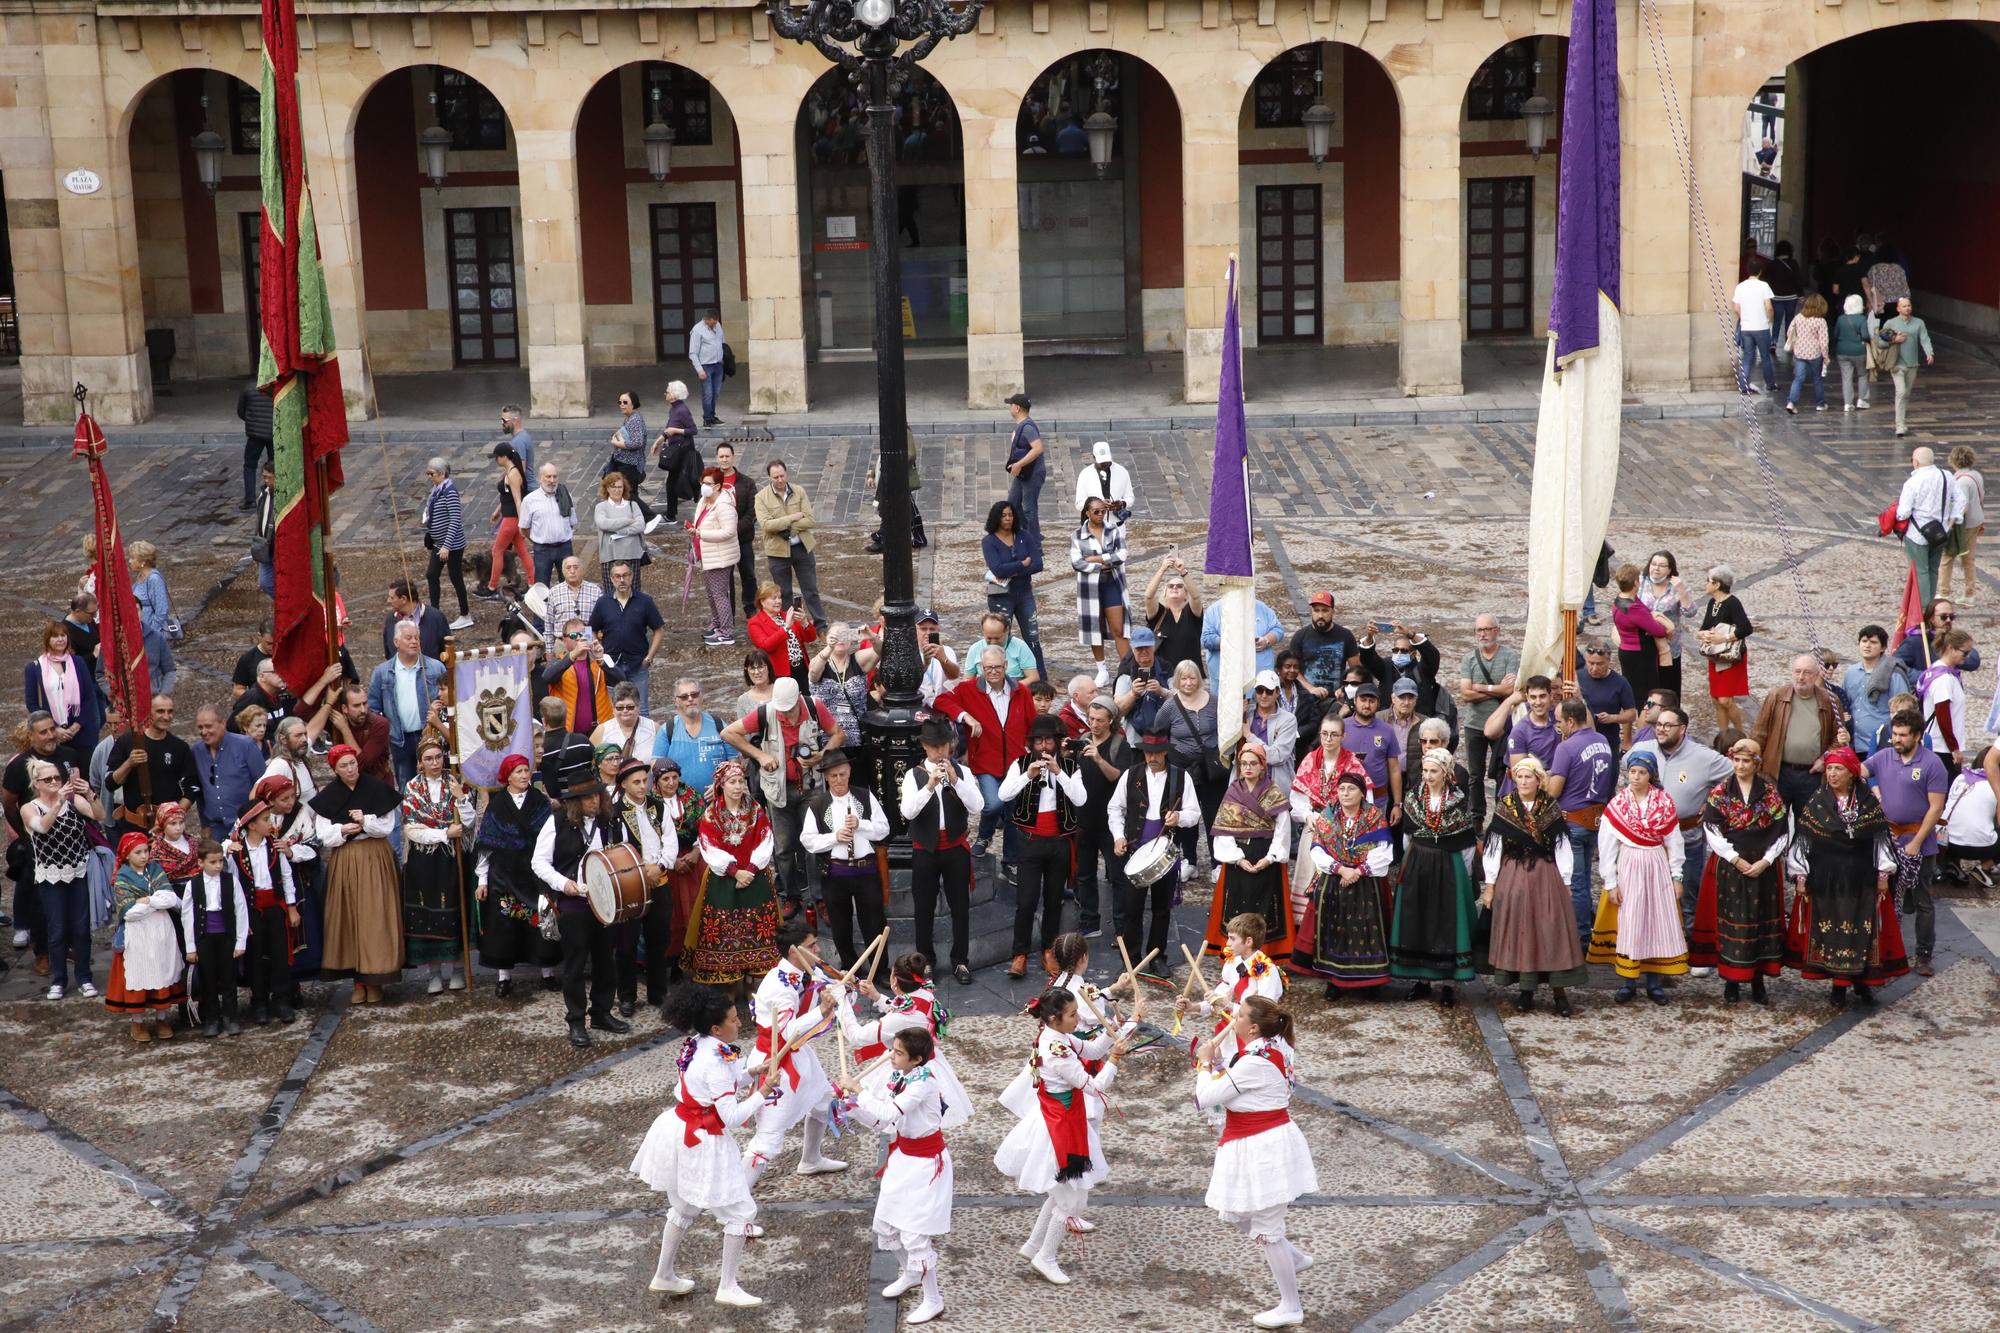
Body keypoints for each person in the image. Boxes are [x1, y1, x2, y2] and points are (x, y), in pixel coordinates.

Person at [630, 985, 766, 1307]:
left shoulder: (699, 1043)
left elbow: (718, 1083)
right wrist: (764, 1092)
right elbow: (731, 1116)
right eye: (733, 1020)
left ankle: (664, 1273)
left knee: (684, 1207)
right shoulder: (716, 1061)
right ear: (717, 1028)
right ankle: (728, 1285)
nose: (740, 1024)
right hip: (702, 1139)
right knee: (741, 1211)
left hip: (677, 1129)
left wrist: (751, 1072)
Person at [993, 985, 1131, 1286]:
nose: (1078, 1017)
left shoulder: (1054, 1036)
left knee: (1062, 1191)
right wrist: (1115, 1060)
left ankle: (1033, 1245)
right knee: (1072, 1200)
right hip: (1062, 1128)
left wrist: (1114, 1031)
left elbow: (1092, 1049)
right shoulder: (1057, 1050)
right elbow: (1093, 1086)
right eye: (1072, 1014)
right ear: (1055, 1018)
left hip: (1064, 1120)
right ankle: (1047, 1256)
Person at [1192, 995, 1316, 1330]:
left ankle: (1291, 1305)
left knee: (1268, 1230)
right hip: (1258, 1143)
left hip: (1265, 1149)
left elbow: (1205, 1098)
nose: (1235, 1018)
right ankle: (1295, 1259)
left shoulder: (1255, 1060)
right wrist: (1219, 1065)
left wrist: (1204, 1064)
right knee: (1234, 1214)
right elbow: (1240, 1088)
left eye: (1241, 1014)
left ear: (1254, 1026)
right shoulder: (1271, 1048)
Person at [835, 1023, 955, 1326]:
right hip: (903, 1160)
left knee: (915, 1235)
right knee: (887, 1226)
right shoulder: (902, 1076)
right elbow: (883, 1124)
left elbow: (888, 1114)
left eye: (898, 1052)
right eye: (893, 1049)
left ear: (916, 1059)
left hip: (927, 1165)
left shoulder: (923, 1083)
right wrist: (850, 1107)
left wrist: (859, 1090)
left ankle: (934, 1299)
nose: (891, 1055)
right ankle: (912, 1272)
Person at [1787, 747, 1907, 1006]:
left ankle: (1863, 984)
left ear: (1852, 772)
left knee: (1862, 930)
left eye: (1838, 768)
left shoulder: (1867, 802)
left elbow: (1880, 841)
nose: (1832, 773)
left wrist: (1884, 874)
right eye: (1829, 768)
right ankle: (1838, 986)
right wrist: (1800, 876)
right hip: (1827, 879)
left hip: (1861, 877)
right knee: (1832, 932)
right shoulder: (1817, 802)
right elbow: (1803, 841)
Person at [722, 675, 843, 914]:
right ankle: (791, 896)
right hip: (778, 790)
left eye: (790, 710)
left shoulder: (813, 706)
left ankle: (820, 897)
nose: (786, 715)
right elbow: (728, 733)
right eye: (783, 710)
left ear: (799, 699)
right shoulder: (765, 713)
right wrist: (759, 755)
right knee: (783, 848)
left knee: (815, 844)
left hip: (811, 788)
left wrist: (822, 755)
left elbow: (838, 734)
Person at [1688, 736, 1791, 1003]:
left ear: (1756, 764)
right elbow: (1711, 830)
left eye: (1746, 761)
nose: (1740, 766)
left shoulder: (1769, 793)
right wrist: (1734, 859)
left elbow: (1782, 829)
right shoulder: (1721, 792)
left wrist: (1766, 861)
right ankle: (1731, 982)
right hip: (1731, 865)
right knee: (1731, 923)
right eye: (1736, 760)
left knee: (1758, 921)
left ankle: (1758, 981)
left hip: (1762, 865)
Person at [1481, 757, 1587, 1015]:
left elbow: (1562, 846)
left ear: (1539, 780)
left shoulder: (1550, 807)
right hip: (1513, 876)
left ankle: (1559, 993)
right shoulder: (1505, 807)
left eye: (1529, 777)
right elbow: (1493, 849)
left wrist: (1566, 880)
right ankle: (1526, 990)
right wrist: (1491, 884)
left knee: (1550, 931)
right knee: (1522, 931)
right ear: (1514, 779)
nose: (1524, 781)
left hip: (1545, 876)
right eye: (1520, 777)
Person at [743, 919, 846, 1183]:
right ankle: (737, 1200)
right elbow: (788, 1033)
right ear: (793, 951)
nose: (819, 950)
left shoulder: (801, 972)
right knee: (767, 1140)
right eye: (812, 946)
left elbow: (824, 985)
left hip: (798, 1057)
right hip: (775, 1063)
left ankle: (811, 1159)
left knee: (823, 1103)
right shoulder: (780, 987)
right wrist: (821, 1011)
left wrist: (845, 988)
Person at [1587, 750, 1688, 1003]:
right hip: (1630, 864)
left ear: (1650, 775)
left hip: (1656, 864)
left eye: (1641, 772)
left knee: (1655, 920)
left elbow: (1675, 841)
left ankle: (1654, 983)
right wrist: (1610, 882)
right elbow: (1607, 844)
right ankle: (1628, 981)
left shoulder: (1664, 803)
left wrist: (1676, 876)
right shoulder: (1618, 805)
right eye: (1632, 772)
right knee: (1630, 921)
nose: (1636, 777)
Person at [995, 715, 1089, 977]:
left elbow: (1080, 799)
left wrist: (1059, 773)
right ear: (1032, 744)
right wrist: (1028, 775)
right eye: (1039, 741)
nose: (1044, 746)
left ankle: (1049, 950)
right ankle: (1020, 954)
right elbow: (1003, 795)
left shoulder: (1070, 767)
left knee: (1053, 901)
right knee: (1026, 902)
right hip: (1030, 843)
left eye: (1049, 740)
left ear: (1057, 743)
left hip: (1058, 843)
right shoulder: (1020, 764)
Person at [312, 744, 403, 1004]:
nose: (350, 769)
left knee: (375, 917)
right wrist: (342, 830)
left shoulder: (374, 788)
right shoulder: (329, 795)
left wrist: (366, 822)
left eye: (353, 763)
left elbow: (387, 825)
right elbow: (323, 835)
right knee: (351, 918)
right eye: (344, 765)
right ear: (335, 769)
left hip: (375, 855)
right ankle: (358, 981)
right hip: (347, 859)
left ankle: (376, 980)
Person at [933, 647, 1032, 879]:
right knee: (993, 804)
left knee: (1013, 814)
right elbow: (941, 701)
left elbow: (1031, 724)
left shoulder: (1021, 691)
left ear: (1006, 666)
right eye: (988, 668)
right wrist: (965, 716)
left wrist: (1032, 751)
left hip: (1016, 764)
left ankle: (1010, 862)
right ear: (981, 668)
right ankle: (985, 835)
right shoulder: (969, 689)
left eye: (998, 667)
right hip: (986, 761)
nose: (994, 672)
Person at [1389, 748, 1478, 1005]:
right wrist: (1412, 860)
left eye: (1434, 771)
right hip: (1418, 861)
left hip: (1449, 864)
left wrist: (1465, 875)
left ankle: (1448, 983)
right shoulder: (1413, 799)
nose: (1428, 776)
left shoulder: (1459, 801)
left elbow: (1467, 843)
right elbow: (1408, 836)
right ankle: (1422, 980)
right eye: (1425, 771)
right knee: (1419, 918)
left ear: (1446, 772)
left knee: (1447, 921)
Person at [1864, 711, 1947, 979]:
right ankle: (1888, 950)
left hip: (1919, 841)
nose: (1896, 740)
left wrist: (1918, 842)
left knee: (1922, 900)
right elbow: (1861, 770)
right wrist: (1835, 755)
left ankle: (1924, 954)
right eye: (1894, 734)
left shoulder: (1933, 764)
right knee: (1885, 895)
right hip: (1889, 838)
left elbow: (1935, 809)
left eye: (1902, 735)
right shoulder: (1885, 756)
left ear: (1917, 736)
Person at [902, 717, 985, 986]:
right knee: (923, 908)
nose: (940, 752)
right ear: (925, 747)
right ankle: (925, 961)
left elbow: (977, 806)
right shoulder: (912, 775)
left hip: (955, 848)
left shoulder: (963, 772)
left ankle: (960, 960)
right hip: (925, 850)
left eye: (944, 746)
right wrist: (929, 786)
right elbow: (908, 812)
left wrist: (955, 781)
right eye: (935, 747)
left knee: (960, 906)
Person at [1293, 769, 1391, 997]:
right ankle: (1334, 981)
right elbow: (1317, 848)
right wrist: (1341, 869)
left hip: (1366, 885)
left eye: (1352, 789)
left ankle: (1370, 982)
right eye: (1342, 789)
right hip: (1335, 882)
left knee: (1367, 931)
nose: (1346, 793)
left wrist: (1359, 871)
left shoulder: (1374, 816)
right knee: (1333, 930)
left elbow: (1384, 851)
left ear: (1361, 793)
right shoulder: (1328, 816)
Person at [1108, 732, 1202, 968]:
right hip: (1135, 848)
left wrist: (1179, 817)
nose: (1151, 757)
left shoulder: (1181, 777)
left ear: (1165, 752)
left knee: (1162, 908)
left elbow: (1194, 813)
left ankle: (1157, 956)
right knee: (1132, 908)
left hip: (1165, 852)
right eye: (1148, 752)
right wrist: (1119, 837)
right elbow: (1115, 808)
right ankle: (1130, 959)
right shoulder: (1131, 775)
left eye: (1156, 752)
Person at [689, 760, 780, 988]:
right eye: (732, 782)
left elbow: (765, 838)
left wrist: (749, 870)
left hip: (755, 877)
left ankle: (756, 986)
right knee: (723, 931)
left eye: (741, 781)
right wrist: (734, 871)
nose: (738, 786)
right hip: (723, 882)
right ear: (721, 785)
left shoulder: (756, 810)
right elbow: (708, 845)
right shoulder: (711, 814)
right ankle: (728, 988)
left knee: (758, 930)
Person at [473, 753, 554, 998]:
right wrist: (482, 880)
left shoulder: (540, 801)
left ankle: (548, 972)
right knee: (503, 926)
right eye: (518, 771)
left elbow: (550, 837)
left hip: (534, 872)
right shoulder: (497, 805)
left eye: (526, 770)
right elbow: (486, 845)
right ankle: (503, 977)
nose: (524, 775)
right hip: (504, 875)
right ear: (507, 776)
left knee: (542, 919)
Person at [800, 748, 890, 970]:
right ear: (826, 777)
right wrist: (835, 837)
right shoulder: (818, 804)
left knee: (875, 924)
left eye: (842, 774)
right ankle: (851, 970)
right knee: (840, 926)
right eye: (833, 776)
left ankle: (879, 970)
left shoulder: (865, 796)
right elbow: (808, 840)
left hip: (866, 870)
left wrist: (862, 825)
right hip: (835, 873)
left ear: (849, 772)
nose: (838, 780)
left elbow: (884, 829)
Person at [1204, 741, 1294, 960]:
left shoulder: (1273, 792)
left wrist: (1271, 857)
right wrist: (1237, 858)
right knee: (1237, 904)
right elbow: (1224, 830)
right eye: (1244, 763)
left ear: (1263, 766)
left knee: (1266, 905)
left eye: (1253, 763)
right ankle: (1235, 954)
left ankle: (1266, 955)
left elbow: (1283, 828)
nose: (1248, 768)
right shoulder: (1233, 792)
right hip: (1239, 856)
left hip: (1265, 854)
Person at [24, 760, 103, 1001]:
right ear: (36, 784)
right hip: (50, 876)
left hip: (78, 871)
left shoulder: (72, 801)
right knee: (57, 930)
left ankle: (84, 977)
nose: (55, 782)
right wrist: (58, 802)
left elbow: (100, 815)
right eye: (48, 780)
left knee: (81, 928)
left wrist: (89, 794)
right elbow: (43, 828)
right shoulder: (30, 808)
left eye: (57, 778)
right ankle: (58, 980)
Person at [400, 739, 472, 996]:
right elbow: (412, 828)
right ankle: (433, 973)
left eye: (438, 757)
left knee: (454, 912)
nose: (434, 763)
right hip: (424, 858)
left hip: (452, 858)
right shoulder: (412, 787)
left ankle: (457, 970)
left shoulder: (454, 782)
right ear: (420, 761)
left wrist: (461, 800)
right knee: (428, 914)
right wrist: (444, 833)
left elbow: (470, 821)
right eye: (428, 758)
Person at [1546, 698, 1614, 949]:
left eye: (1559, 722)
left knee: (1575, 883)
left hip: (1572, 820)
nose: (1558, 726)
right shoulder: (1602, 741)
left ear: (1571, 721)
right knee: (1585, 878)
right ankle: (1585, 930)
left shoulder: (1567, 748)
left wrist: (1543, 778)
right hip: (1595, 820)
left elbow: (1554, 791)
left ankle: (1580, 937)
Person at [227, 797, 300, 1025]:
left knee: (280, 954)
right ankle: (259, 1002)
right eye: (266, 820)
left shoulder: (276, 847)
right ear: (251, 825)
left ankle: (282, 1000)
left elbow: (286, 877)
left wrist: (291, 907)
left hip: (275, 907)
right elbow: (233, 885)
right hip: (251, 910)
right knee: (255, 956)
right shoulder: (237, 853)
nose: (271, 823)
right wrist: (240, 918)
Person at [106, 832, 184, 1041]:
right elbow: (129, 913)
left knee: (161, 970)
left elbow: (169, 898)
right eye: (138, 852)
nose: (143, 856)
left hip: (160, 931)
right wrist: (154, 902)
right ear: (127, 854)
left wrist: (145, 901)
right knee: (140, 974)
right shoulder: (122, 878)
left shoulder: (155, 869)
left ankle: (161, 1017)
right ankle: (138, 1022)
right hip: (138, 935)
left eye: (146, 851)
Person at [1749, 653, 1841, 809]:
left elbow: (1839, 739)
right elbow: (1759, 733)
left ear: (1817, 675)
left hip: (1812, 775)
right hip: (1778, 772)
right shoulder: (1776, 697)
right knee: (1774, 821)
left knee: (1807, 825)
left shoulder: (1829, 701)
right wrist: (1751, 762)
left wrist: (1824, 759)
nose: (1801, 677)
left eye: (1807, 672)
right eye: (1797, 671)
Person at [175, 840, 246, 1035]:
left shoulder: (231, 881)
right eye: (213, 862)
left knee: (229, 978)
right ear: (201, 863)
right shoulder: (193, 884)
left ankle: (231, 1017)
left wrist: (240, 941)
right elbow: (188, 916)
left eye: (220, 861)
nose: (218, 866)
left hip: (226, 936)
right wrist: (191, 947)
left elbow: (241, 910)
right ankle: (211, 1019)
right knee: (209, 979)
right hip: (204, 937)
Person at [106, 695, 200, 835]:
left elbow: (192, 788)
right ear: (149, 713)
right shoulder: (127, 742)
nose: (166, 716)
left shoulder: (180, 747)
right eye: (160, 711)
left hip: (168, 831)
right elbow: (110, 783)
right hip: (134, 829)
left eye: (170, 711)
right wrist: (129, 763)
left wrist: (172, 819)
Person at [366, 622, 445, 787]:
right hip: (399, 740)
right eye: (408, 638)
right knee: (406, 786)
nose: (414, 642)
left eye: (416, 637)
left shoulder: (435, 667)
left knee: (436, 783)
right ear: (396, 642)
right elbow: (373, 708)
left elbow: (450, 697)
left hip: (431, 736)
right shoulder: (382, 672)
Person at [1457, 613, 1519, 820]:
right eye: (1479, 630)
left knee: (1503, 771)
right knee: (1475, 775)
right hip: (1474, 724)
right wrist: (1498, 689)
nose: (1482, 634)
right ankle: (1477, 817)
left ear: (1497, 631)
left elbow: (1511, 690)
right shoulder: (1469, 658)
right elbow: (1465, 693)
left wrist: (1481, 688)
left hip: (1501, 725)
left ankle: (1503, 815)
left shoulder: (1509, 656)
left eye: (1486, 629)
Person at [1163, 660, 1224, 866]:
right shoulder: (1170, 705)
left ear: (1199, 678)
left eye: (1192, 677)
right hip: (1183, 769)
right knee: (1186, 814)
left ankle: (1217, 862)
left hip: (1210, 769)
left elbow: (1225, 728)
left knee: (1213, 814)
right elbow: (1158, 732)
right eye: (1184, 678)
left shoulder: (1214, 701)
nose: (1188, 682)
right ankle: (1189, 860)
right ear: (1177, 680)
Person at [754, 460, 826, 629]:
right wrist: (792, 518)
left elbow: (810, 520)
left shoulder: (798, 491)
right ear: (769, 477)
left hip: (802, 547)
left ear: (787, 474)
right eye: (775, 477)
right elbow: (766, 525)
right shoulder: (761, 497)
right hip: (777, 552)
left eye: (782, 476)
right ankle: (790, 628)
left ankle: (821, 626)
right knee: (783, 593)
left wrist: (786, 527)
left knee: (811, 590)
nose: (779, 480)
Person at [982, 501, 1047, 678]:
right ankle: (1000, 676)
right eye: (1003, 515)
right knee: (1000, 638)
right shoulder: (989, 541)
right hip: (1001, 596)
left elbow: (1038, 564)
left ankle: (1040, 679)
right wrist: (1022, 564)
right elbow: (997, 569)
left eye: (1010, 514)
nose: (1008, 518)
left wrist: (1012, 569)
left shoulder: (1024, 536)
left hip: (1024, 593)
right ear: (996, 517)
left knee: (1033, 637)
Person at [1070, 497, 1130, 684]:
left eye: (1102, 511)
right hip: (1090, 588)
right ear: (1087, 513)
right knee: (1094, 628)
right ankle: (1102, 669)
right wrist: (1103, 563)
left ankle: (1127, 669)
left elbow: (1122, 554)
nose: (1100, 514)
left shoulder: (1113, 530)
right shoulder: (1077, 535)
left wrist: (1095, 559)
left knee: (1118, 628)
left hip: (1112, 583)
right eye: (1096, 511)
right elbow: (1077, 562)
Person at [24, 622, 103, 753]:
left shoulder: (78, 662)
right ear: (47, 639)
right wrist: (53, 728)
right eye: (55, 636)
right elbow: (32, 703)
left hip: (82, 732)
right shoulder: (34, 668)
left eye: (63, 635)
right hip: (53, 736)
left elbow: (89, 696)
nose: (60, 639)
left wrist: (76, 725)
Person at [1895, 446, 1958, 605]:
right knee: (1932, 570)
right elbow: (1960, 499)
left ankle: (1923, 610)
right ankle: (1931, 606)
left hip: (1917, 535)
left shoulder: (1912, 482)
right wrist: (1951, 522)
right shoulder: (1947, 476)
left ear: (1915, 462)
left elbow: (1903, 513)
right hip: (1940, 532)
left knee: (1920, 572)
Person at [191, 704, 263, 843]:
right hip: (216, 829)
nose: (204, 731)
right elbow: (200, 792)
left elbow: (262, 784)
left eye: (208, 726)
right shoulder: (196, 751)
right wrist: (204, 825)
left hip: (246, 826)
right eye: (200, 727)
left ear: (223, 723)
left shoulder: (246, 745)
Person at [1843, 625, 1912, 760]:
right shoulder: (1850, 673)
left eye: (1873, 642)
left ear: (1883, 647)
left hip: (1882, 745)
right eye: (1864, 641)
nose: (1867, 645)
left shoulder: (1893, 674)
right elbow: (1846, 704)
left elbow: (1904, 711)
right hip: (1853, 744)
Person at [419, 459, 473, 629]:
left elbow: (455, 519)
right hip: (438, 543)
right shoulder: (437, 490)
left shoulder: (449, 492)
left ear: (442, 474)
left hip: (452, 546)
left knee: (456, 578)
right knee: (432, 574)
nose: (429, 477)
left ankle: (465, 614)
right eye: (428, 474)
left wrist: (447, 546)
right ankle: (435, 612)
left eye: (432, 474)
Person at [655, 678, 731, 794]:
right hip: (681, 803)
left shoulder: (719, 725)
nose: (690, 699)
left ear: (701, 697)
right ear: (676, 701)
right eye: (684, 697)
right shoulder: (667, 730)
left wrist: (721, 783)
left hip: (718, 801)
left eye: (694, 695)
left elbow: (734, 760)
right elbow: (656, 767)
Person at [712, 442, 761, 621]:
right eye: (721, 456)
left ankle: (751, 609)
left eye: (727, 456)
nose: (724, 459)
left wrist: (734, 529)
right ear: (717, 458)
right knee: (725, 581)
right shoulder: (712, 482)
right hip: (721, 541)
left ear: (733, 457)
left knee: (748, 575)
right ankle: (727, 614)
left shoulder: (747, 483)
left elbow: (752, 511)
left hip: (742, 539)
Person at [478, 443, 533, 599]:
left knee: (497, 551)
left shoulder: (513, 474)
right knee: (522, 550)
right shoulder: (509, 472)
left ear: (503, 457)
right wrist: (497, 511)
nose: (495, 460)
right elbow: (506, 497)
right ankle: (532, 582)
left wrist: (522, 522)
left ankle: (492, 587)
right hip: (510, 518)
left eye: (496, 457)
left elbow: (517, 499)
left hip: (511, 520)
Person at [1878, 297, 1936, 439]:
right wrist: (1894, 340)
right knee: (1901, 391)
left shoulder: (1918, 323)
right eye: (1904, 306)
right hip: (1896, 363)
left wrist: (1929, 353)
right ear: (1898, 308)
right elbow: (1880, 341)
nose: (1907, 308)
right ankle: (1899, 425)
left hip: (1912, 364)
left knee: (1906, 394)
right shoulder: (1891, 323)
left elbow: (1924, 338)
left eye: (1909, 305)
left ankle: (1902, 421)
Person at [1918, 628, 1974, 774]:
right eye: (1965, 652)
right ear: (1950, 648)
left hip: (1942, 746)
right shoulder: (1943, 679)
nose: (1967, 657)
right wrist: (1954, 748)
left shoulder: (1942, 672)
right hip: (1942, 749)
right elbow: (1943, 715)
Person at [1146, 554, 1207, 683]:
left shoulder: (1191, 613)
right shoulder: (1159, 613)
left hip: (1190, 676)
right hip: (1163, 676)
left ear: (1186, 594)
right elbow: (1148, 597)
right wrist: (1162, 569)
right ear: (1165, 593)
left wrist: (1183, 573)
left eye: (1179, 586)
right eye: (1170, 586)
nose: (1175, 587)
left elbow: (1196, 597)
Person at [128, 540, 177, 696]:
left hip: (150, 634)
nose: (130, 561)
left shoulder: (154, 579)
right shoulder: (140, 577)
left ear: (143, 561)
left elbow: (162, 610)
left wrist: (151, 633)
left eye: (133, 558)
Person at [1202, 597, 1285, 687]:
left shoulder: (1261, 608)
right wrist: (1228, 642)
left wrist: (1266, 640)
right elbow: (1206, 639)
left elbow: (1278, 629)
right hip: (1227, 684)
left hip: (1260, 683)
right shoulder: (1214, 611)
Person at [519, 462, 577, 589]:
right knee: (541, 585)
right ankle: (543, 609)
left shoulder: (566, 496)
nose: (552, 480)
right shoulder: (529, 500)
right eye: (548, 477)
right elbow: (524, 528)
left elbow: (572, 522)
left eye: (555, 477)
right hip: (542, 549)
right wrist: (537, 539)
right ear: (540, 478)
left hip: (564, 547)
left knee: (569, 583)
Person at [654, 381, 702, 523]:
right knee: (676, 481)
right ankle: (671, 513)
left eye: (667, 391)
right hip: (677, 450)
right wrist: (658, 442)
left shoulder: (682, 410)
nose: (665, 394)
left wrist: (676, 431)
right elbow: (669, 429)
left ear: (674, 395)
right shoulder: (674, 409)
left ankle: (671, 514)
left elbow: (693, 430)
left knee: (680, 480)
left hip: (684, 451)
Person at [1942, 445, 1985, 603]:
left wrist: (1950, 524)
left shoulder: (1960, 481)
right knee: (1969, 559)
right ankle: (1970, 593)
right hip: (1976, 520)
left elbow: (1962, 506)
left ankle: (1943, 591)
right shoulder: (1976, 475)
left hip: (1963, 525)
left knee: (1947, 557)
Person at [1001, 392, 1045, 540]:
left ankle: (1035, 544)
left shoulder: (1027, 427)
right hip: (1024, 472)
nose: (1009, 408)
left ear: (1017, 408)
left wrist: (1018, 464)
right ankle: (1030, 533)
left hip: (1031, 473)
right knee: (1013, 504)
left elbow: (1038, 448)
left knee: (1029, 509)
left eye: (1011, 405)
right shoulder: (1022, 426)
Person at [1731, 258, 1778, 394]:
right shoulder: (1764, 286)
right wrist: (1769, 320)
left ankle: (1743, 386)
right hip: (1761, 327)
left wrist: (1744, 318)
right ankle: (1770, 384)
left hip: (1746, 328)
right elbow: (1769, 307)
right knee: (1765, 358)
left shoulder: (1740, 287)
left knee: (1747, 357)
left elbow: (1736, 308)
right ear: (1760, 271)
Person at [1780, 292, 1832, 414]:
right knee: (1817, 379)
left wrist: (1795, 345)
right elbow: (1824, 342)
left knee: (1798, 378)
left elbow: (1789, 332)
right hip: (1815, 354)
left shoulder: (1798, 317)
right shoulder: (1821, 321)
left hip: (1799, 353)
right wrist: (1826, 357)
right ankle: (1820, 404)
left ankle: (1791, 402)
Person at [381, 579, 449, 663]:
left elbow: (447, 652)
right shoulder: (390, 619)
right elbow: (389, 653)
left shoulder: (436, 617)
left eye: (392, 598)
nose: (388, 601)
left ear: (403, 599)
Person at [1073, 439, 1134, 528]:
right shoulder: (1085, 475)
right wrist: (1098, 505)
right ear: (1094, 457)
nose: (1105, 464)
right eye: (1101, 462)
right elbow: (1079, 504)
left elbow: (1130, 498)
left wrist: (1122, 504)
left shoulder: (1122, 472)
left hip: (1117, 527)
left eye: (1106, 460)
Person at [688, 310, 727, 426]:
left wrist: (723, 357)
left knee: (716, 393)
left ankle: (713, 415)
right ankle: (707, 418)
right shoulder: (697, 330)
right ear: (706, 320)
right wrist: (699, 370)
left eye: (715, 323)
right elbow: (693, 353)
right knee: (708, 393)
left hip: (718, 364)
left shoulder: (718, 325)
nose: (714, 326)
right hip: (706, 366)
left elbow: (722, 342)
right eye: (712, 323)